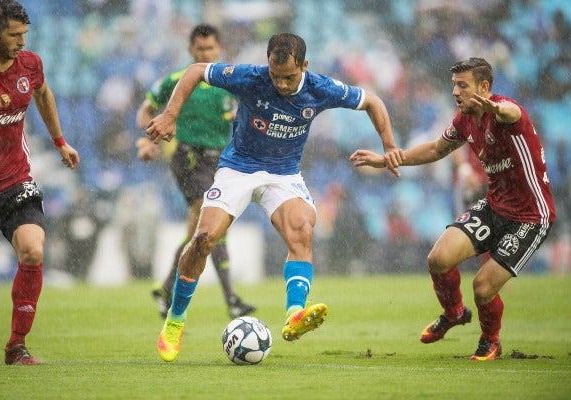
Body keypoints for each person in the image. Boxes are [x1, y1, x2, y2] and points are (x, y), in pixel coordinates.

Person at [146, 32, 403, 362]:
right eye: (275, 75)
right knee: (204, 239)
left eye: (289, 77)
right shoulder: (251, 77)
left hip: (282, 174)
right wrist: (170, 115)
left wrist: (390, 145)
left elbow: (373, 102)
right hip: (238, 168)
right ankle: (175, 321)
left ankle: (295, 313)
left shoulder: (321, 88)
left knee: (302, 231)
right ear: (267, 64)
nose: (280, 84)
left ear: (305, 66)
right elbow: (196, 70)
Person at [350, 57, 555, 361]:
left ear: (484, 87)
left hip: (530, 217)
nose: (456, 92)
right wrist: (388, 160)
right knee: (438, 259)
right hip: (495, 206)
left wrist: (497, 108)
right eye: (454, 86)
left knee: (483, 288)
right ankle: (454, 312)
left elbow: (512, 112)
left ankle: (490, 341)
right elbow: (435, 149)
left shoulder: (505, 111)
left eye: (463, 85)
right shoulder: (465, 119)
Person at [0, 0, 80, 365]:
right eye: (14, 35)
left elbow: (43, 93)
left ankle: (16, 345)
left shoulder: (30, 65)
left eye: (24, 35)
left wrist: (60, 141)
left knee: (33, 249)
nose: (21, 42)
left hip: (15, 178)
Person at [135, 24, 256, 320]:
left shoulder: (229, 82)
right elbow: (145, 110)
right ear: (191, 50)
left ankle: (166, 288)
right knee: (210, 220)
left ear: (219, 49)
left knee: (202, 233)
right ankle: (231, 300)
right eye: (199, 49)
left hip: (221, 163)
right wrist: (147, 141)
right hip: (188, 159)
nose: (205, 53)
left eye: (210, 49)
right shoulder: (176, 81)